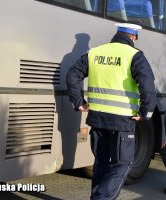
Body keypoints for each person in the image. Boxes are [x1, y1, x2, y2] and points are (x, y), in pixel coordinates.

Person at [66, 23, 156, 200]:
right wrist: (146, 112)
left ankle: (96, 197)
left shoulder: (95, 53)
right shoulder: (134, 55)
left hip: (97, 119)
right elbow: (147, 84)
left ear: (118, 33)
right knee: (122, 163)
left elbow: (72, 75)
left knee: (101, 162)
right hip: (122, 121)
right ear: (133, 37)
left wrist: (78, 102)